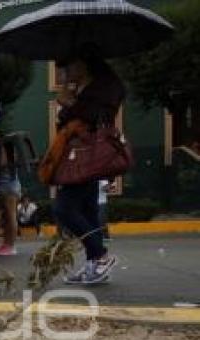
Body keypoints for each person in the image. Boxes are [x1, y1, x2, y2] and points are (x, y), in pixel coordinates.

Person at [53, 46, 124, 284]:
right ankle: (94, 263)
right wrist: (70, 101)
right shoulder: (87, 88)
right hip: (81, 156)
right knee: (88, 211)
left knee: (64, 209)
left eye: (68, 66)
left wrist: (69, 104)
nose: (64, 73)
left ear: (84, 63)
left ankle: (101, 256)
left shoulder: (103, 88)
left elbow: (93, 118)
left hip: (86, 157)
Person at [0, 139, 21, 255]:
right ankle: (6, 243)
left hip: (9, 186)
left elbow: (2, 164)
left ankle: (10, 245)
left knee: (11, 215)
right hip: (7, 185)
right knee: (7, 217)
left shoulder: (4, 147)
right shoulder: (6, 148)